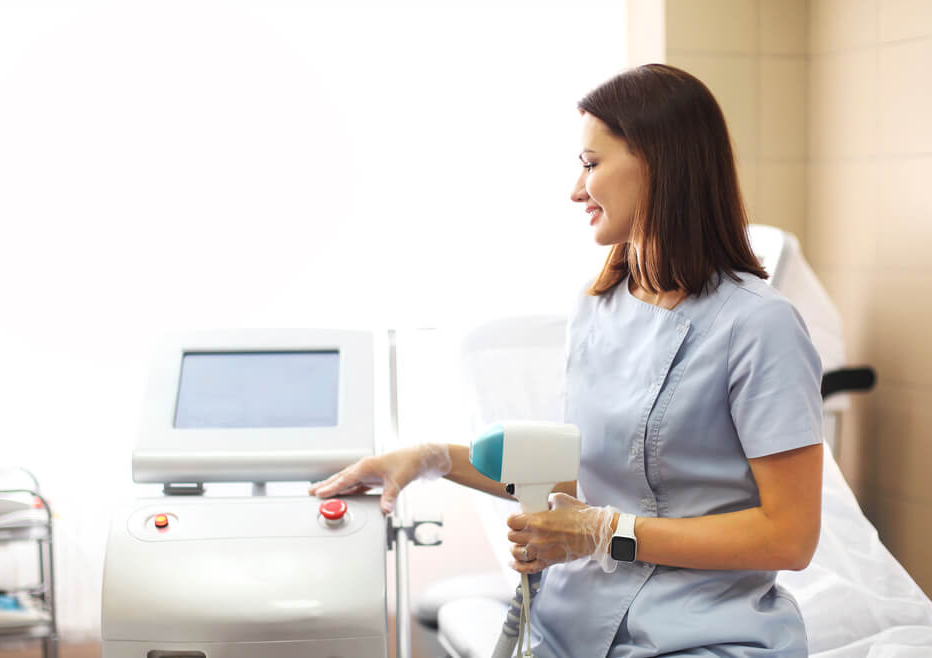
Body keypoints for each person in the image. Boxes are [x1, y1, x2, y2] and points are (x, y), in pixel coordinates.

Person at [309, 63, 823, 657]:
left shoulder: (759, 324)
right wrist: (430, 459)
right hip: (569, 628)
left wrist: (607, 534)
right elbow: (582, 481)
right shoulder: (600, 306)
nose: (576, 191)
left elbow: (789, 536)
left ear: (659, 164)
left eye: (590, 163)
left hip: (703, 636)